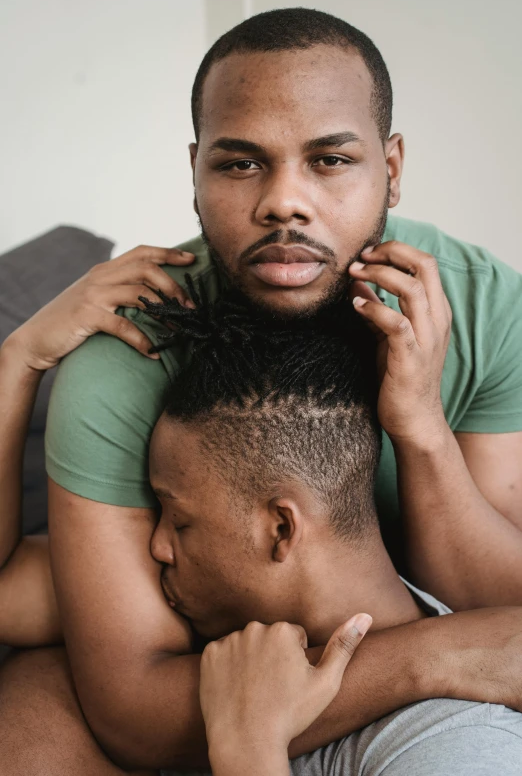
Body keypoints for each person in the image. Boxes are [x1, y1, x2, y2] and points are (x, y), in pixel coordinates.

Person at [2, 5, 522, 773]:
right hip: (210, 661)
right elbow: (131, 709)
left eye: (330, 161)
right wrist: (433, 656)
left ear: (394, 167)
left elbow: (500, 599)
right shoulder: (126, 348)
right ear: (195, 172)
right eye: (240, 163)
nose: (284, 200)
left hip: (386, 638)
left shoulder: (479, 307)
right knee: (36, 692)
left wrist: (419, 428)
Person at [1, 275, 522, 776]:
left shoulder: (454, 745)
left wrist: (248, 749)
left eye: (178, 520)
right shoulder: (197, 619)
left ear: (280, 530)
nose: (156, 547)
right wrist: (17, 357)